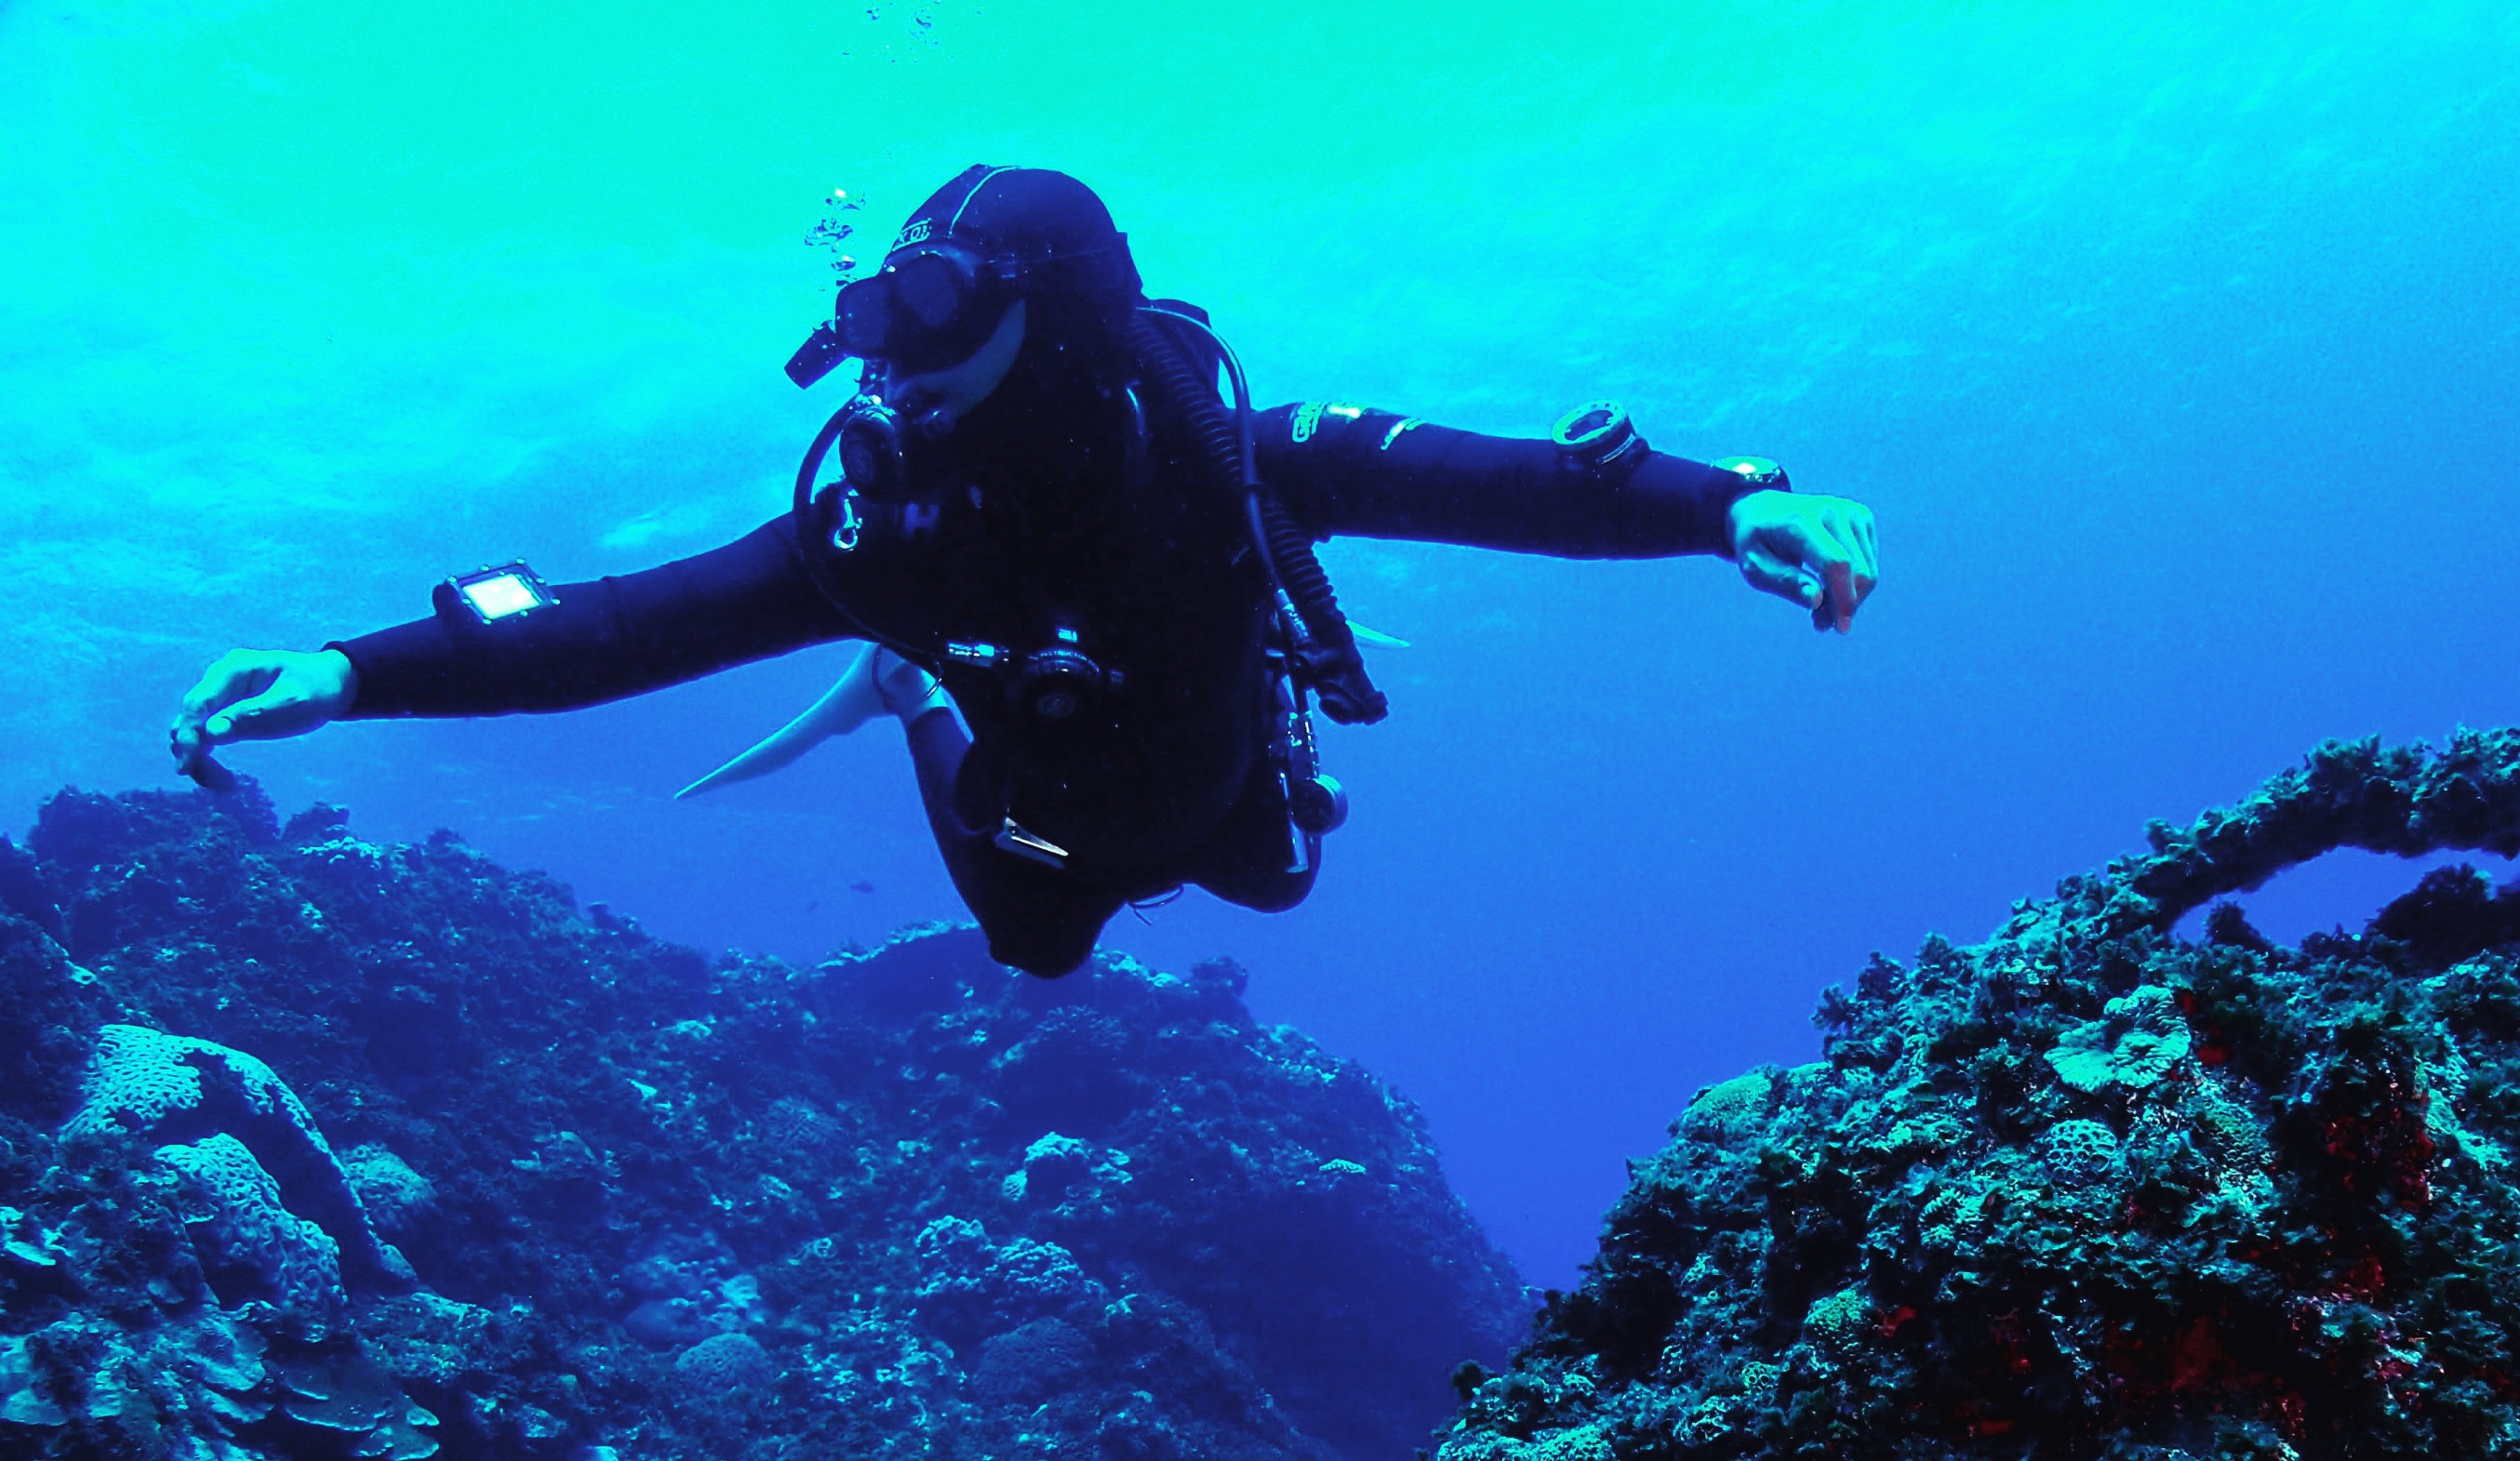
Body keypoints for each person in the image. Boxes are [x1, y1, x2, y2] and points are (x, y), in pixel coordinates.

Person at [171, 166, 1879, 977]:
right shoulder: (881, 528)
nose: (881, 369)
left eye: (924, 313)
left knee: (1274, 885)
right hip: (1033, 813)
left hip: (1221, 783)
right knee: (1038, 946)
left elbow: (1501, 485)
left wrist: (1728, 502)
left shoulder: (1231, 456)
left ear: (1053, 312)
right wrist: (357, 666)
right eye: (868, 317)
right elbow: (630, 625)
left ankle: (907, 681)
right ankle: (903, 688)